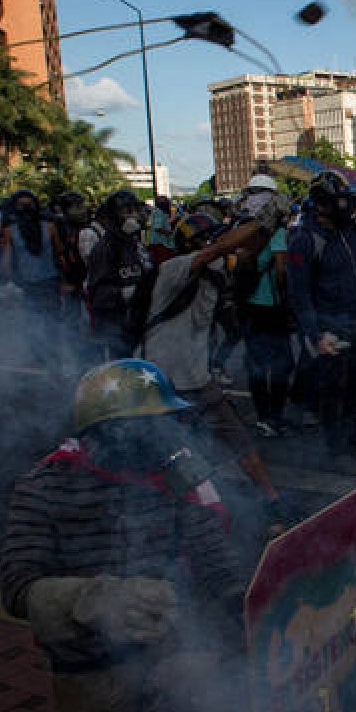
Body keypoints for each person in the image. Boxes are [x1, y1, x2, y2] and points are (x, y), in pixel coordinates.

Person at [0, 359, 251, 712]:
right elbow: (17, 587)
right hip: (90, 669)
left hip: (171, 656)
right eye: (144, 428)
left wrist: (236, 619)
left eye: (164, 423)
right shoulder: (44, 485)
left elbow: (216, 564)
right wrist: (93, 599)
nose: (160, 439)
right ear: (101, 433)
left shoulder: (177, 471)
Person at [139, 213, 292, 537]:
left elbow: (249, 251)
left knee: (242, 443)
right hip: (164, 384)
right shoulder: (174, 269)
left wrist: (271, 229)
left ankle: (273, 503)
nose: (220, 247)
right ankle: (183, 521)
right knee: (175, 455)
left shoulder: (217, 274)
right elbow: (223, 247)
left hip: (198, 379)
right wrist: (268, 215)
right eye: (209, 239)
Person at [286, 172, 356, 457]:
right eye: (336, 201)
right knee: (332, 386)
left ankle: (355, 429)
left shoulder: (355, 230)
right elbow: (299, 293)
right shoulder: (304, 240)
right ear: (320, 205)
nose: (343, 207)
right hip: (329, 324)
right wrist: (315, 335)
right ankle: (336, 445)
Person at [235, 175, 296, 437]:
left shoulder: (241, 228)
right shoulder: (276, 231)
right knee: (281, 364)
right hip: (271, 305)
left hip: (248, 305)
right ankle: (275, 417)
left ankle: (262, 417)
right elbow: (282, 270)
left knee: (257, 363)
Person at [85, 190, 153, 361]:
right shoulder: (105, 248)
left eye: (135, 210)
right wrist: (127, 292)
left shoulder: (134, 243)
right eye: (127, 211)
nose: (135, 216)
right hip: (115, 328)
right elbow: (98, 295)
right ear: (114, 216)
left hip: (137, 323)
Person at [1, 190, 64, 318]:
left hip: (47, 284)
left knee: (43, 321)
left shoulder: (50, 227)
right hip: (30, 285)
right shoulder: (49, 227)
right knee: (43, 322)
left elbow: (60, 255)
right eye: (22, 205)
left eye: (29, 204)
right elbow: (60, 254)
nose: (26, 208)